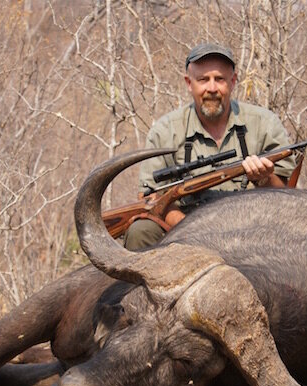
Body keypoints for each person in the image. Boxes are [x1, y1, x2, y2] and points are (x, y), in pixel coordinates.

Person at [124, 43, 297, 250]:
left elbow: (286, 198)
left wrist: (264, 178)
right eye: (203, 80)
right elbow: (152, 200)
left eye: (220, 79)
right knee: (140, 231)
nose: (212, 89)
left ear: (232, 82)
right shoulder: (165, 131)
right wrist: (195, 231)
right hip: (186, 233)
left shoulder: (265, 123)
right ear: (189, 83)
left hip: (252, 229)